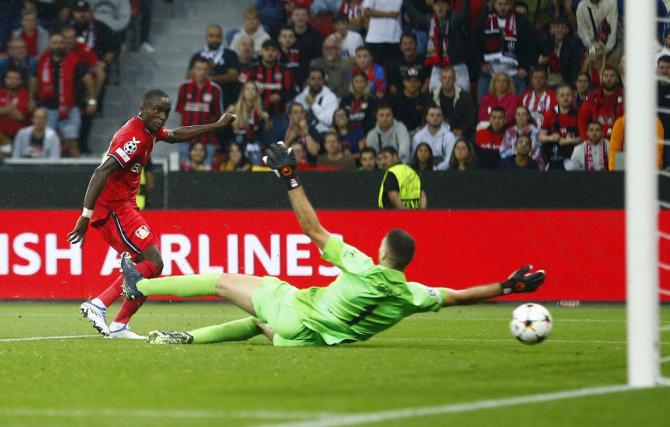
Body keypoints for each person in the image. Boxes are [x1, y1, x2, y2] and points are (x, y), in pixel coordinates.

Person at [118, 141, 546, 347]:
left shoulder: (361, 265)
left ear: (383, 253)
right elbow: (459, 297)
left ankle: (141, 287)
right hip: (308, 338)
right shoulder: (413, 295)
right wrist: (507, 288)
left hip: (298, 313)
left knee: (221, 281)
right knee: (256, 321)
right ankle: (188, 340)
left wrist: (289, 177)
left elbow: (313, 229)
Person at [67, 89, 236, 339]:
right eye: (157, 110)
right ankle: (99, 304)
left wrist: (216, 125)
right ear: (142, 108)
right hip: (114, 208)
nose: (162, 116)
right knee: (153, 262)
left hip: (125, 206)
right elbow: (101, 172)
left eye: (166, 112)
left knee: (150, 265)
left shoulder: (149, 131)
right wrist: (85, 216)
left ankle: (119, 324)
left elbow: (177, 135)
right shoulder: (132, 138)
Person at [37, 33, 97, 157]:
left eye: (60, 43)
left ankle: (77, 173)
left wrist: (91, 100)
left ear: (65, 45)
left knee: (72, 142)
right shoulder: (43, 61)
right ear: (50, 45)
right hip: (49, 108)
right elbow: (34, 79)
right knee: (47, 142)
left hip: (70, 108)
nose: (58, 46)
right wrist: (32, 100)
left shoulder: (74, 61)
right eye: (55, 43)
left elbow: (89, 80)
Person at [474, 0, 534, 101]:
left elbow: (529, 46)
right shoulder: (483, 19)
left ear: (511, 5)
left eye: (506, 4)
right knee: (481, 102)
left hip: (514, 72)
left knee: (520, 105)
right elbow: (474, 45)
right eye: (500, 4)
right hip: (490, 72)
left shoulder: (521, 21)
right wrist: (481, 64)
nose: (503, 8)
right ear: (494, 4)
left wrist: (524, 67)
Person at [243, 39, 295, 144]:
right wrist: (256, 94)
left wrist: (280, 97)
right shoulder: (251, 70)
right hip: (253, 114)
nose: (270, 53)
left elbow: (291, 92)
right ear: (261, 52)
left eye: (273, 50)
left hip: (278, 115)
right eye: (267, 50)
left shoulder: (284, 71)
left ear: (277, 53)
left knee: (275, 145)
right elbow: (241, 91)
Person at [176, 56, 224, 167]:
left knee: (206, 178)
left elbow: (218, 116)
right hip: (186, 141)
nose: (201, 72)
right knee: (184, 177)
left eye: (204, 69)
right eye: (198, 69)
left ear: (208, 71)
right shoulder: (184, 87)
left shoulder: (215, 89)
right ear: (193, 70)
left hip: (207, 142)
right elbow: (180, 113)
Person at [188, 24, 241, 107]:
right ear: (206, 37)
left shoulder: (230, 54)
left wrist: (211, 79)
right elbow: (189, 76)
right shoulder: (197, 56)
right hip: (202, 102)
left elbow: (233, 76)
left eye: (217, 36)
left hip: (226, 100)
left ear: (222, 37)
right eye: (211, 36)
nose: (214, 39)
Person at [424, 0, 471, 92]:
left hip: (458, 66)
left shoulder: (455, 21)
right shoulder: (430, 21)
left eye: (443, 4)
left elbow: (464, 13)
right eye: (437, 4)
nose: (440, 7)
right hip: (438, 67)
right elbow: (414, 16)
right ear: (433, 7)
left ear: (448, 7)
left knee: (463, 96)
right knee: (434, 97)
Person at [226, 80, 272, 165]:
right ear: (243, 92)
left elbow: (268, 129)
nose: (250, 92)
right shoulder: (234, 108)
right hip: (237, 143)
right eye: (247, 89)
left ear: (257, 93)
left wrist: (267, 120)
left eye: (253, 89)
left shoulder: (261, 110)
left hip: (254, 145)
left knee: (256, 149)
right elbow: (222, 127)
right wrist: (226, 114)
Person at [539, 83, 580, 170]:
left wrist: (568, 141)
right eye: (562, 95)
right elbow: (541, 137)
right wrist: (550, 137)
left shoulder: (578, 113)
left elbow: (583, 138)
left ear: (573, 96)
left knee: (570, 167)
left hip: (573, 153)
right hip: (554, 153)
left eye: (568, 95)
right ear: (556, 98)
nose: (565, 98)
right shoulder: (550, 113)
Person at [578, 64, 623, 140]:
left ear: (617, 79)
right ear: (601, 78)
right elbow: (582, 124)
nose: (609, 79)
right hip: (595, 142)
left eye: (612, 76)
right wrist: (588, 142)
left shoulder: (626, 98)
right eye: (606, 76)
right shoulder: (591, 99)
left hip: (619, 142)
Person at [431, 66, 476, 139]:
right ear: (440, 80)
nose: (447, 81)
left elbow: (471, 119)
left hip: (460, 133)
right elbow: (427, 116)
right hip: (438, 131)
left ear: (455, 79)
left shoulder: (465, 97)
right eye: (444, 78)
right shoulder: (433, 96)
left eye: (450, 78)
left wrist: (461, 130)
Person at [538, 16, 581, 87]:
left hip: (564, 82)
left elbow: (574, 69)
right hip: (547, 82)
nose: (560, 30)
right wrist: (541, 62)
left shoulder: (572, 45)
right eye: (557, 27)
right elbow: (540, 62)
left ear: (567, 30)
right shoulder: (546, 43)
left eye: (562, 27)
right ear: (553, 29)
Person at [294, 67, 339, 134]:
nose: (316, 82)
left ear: (324, 81)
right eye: (313, 79)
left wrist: (313, 104)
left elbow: (330, 120)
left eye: (319, 79)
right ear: (308, 81)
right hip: (303, 133)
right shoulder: (299, 98)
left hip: (324, 134)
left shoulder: (331, 97)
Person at [387, 67, 431, 134]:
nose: (412, 84)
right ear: (404, 82)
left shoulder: (425, 99)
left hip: (420, 132)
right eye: (409, 81)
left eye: (415, 81)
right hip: (398, 132)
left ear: (419, 83)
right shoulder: (395, 99)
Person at [411, 106, 457, 170]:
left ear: (442, 118)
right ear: (427, 117)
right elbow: (415, 157)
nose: (435, 118)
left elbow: (450, 159)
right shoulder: (418, 136)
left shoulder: (449, 136)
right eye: (432, 115)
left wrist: (436, 169)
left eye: (438, 115)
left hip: (444, 173)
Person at [362, 0, 403, 70]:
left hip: (396, 37)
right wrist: (388, 14)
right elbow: (366, 12)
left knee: (394, 71)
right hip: (375, 38)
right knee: (375, 71)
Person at [0, 69, 30, 153]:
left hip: (19, 136)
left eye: (16, 79)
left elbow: (20, 116)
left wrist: (4, 110)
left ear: (20, 81)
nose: (13, 81)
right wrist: (10, 110)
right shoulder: (0, 92)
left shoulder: (25, 94)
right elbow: (15, 113)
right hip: (2, 136)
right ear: (5, 80)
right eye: (10, 78)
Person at [278, 25, 307, 92]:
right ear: (279, 38)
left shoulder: (300, 54)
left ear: (294, 39)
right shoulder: (275, 53)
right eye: (284, 36)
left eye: (290, 36)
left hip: (295, 89)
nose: (287, 39)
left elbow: (303, 74)